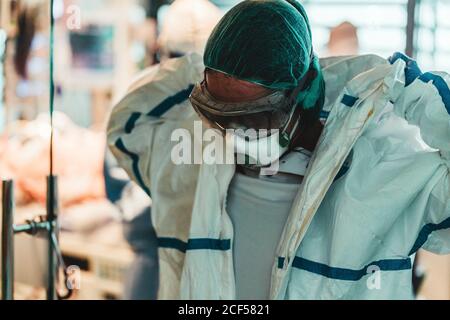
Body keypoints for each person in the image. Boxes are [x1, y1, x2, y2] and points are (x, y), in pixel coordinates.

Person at [107, 0, 449, 300]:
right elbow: (128, 119)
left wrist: (405, 87)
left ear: (303, 94)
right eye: (218, 113)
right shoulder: (199, 162)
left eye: (253, 117)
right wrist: (204, 65)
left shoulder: (380, 167)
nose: (234, 132)